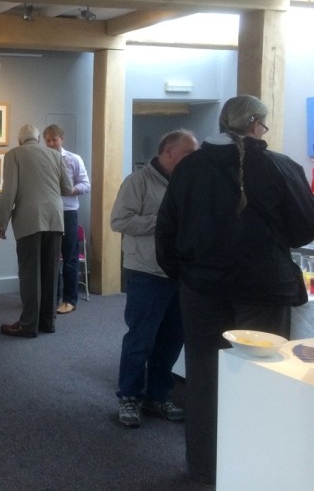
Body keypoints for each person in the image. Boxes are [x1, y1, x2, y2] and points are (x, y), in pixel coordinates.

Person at [156, 95, 314, 482]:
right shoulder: (280, 167)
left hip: (202, 290)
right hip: (263, 291)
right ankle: (253, 470)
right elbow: (303, 230)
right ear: (256, 125)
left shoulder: (189, 168)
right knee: (261, 379)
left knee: (204, 379)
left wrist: (186, 276)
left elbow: (167, 232)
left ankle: (205, 467)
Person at [111, 129, 199, 428]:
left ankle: (158, 395)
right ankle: (129, 397)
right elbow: (119, 221)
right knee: (141, 339)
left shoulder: (191, 182)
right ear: (168, 152)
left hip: (181, 273)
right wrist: (164, 221)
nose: (195, 158)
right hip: (146, 273)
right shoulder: (137, 182)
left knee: (172, 340)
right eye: (189, 153)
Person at [0, 124, 73, 337]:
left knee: (30, 275)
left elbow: (9, 191)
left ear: (20, 140)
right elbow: (68, 188)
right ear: (38, 139)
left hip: (29, 220)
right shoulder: (55, 155)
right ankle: (48, 322)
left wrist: (1, 222)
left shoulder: (14, 155)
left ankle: (28, 324)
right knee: (51, 273)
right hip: (55, 219)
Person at [43, 124, 91, 314]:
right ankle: (51, 299)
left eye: (54, 140)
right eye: (48, 140)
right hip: (48, 212)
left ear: (62, 139)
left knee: (69, 257)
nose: (51, 143)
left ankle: (69, 300)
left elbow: (86, 184)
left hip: (68, 212)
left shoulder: (73, 159)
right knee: (50, 257)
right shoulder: (41, 160)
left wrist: (71, 190)